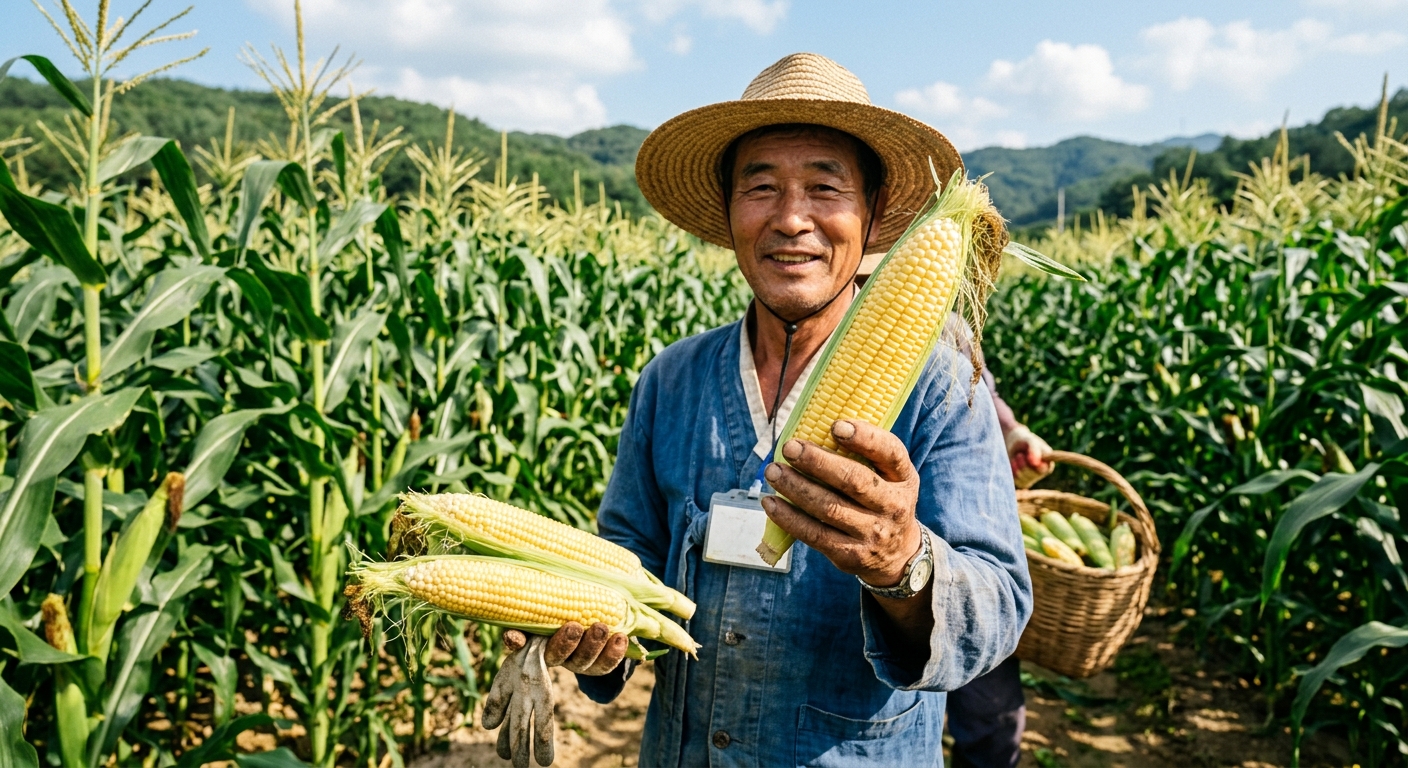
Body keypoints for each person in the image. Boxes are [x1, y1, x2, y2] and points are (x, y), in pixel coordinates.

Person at [493, 52, 1032, 766]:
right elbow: (630, 558)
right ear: (728, 211)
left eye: (825, 187)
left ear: (871, 215)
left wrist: (904, 562)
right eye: (761, 187)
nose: (791, 218)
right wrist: (595, 631)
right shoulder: (672, 380)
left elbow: (999, 608)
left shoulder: (944, 387)